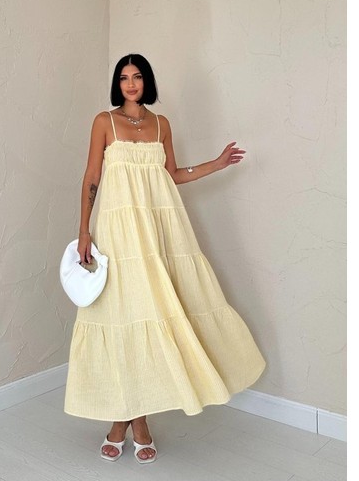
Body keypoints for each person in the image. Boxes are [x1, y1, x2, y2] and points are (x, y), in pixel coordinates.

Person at [64, 54, 266, 464]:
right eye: (124, 77)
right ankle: (133, 423)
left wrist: (216, 164)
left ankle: (127, 423)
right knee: (123, 318)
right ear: (117, 84)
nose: (131, 83)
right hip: (119, 232)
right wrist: (84, 231)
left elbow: (172, 175)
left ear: (147, 81)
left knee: (152, 316)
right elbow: (92, 177)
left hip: (158, 231)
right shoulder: (104, 122)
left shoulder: (161, 124)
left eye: (137, 76)